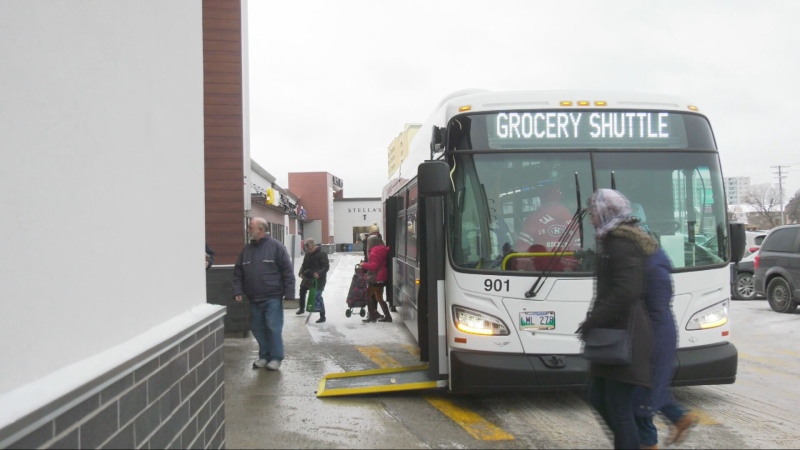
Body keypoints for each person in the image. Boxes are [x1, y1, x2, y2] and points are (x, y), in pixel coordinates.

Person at [576, 189, 655, 449]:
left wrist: (592, 321)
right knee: (599, 397)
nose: (590, 219)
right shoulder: (610, 241)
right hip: (614, 334)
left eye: (592, 213)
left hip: (625, 335)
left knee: (618, 405)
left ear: (605, 212)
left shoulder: (621, 244)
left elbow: (627, 290)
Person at [632, 246, 699, 448]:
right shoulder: (654, 262)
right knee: (652, 388)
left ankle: (650, 443)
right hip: (658, 333)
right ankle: (679, 418)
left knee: (641, 396)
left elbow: (653, 306)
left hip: (654, 335)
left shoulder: (651, 269)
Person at [232, 218, 296, 371]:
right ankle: (264, 356)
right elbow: (238, 272)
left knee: (273, 327)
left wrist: (289, 293)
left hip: (272, 296)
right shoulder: (246, 250)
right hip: (254, 297)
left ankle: (276, 357)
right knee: (258, 328)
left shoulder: (276, 247)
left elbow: (287, 271)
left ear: (260, 230)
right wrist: (237, 290)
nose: (248, 230)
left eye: (250, 227)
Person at [513, 184, 577, 272]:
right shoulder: (573, 219)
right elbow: (579, 251)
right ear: (560, 198)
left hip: (539, 276)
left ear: (541, 198)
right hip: (570, 274)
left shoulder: (533, 219)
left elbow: (521, 252)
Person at [296, 238, 330, 323]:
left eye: (310, 249)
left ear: (314, 246)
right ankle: (301, 308)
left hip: (318, 279)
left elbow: (326, 266)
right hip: (307, 277)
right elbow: (303, 265)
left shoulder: (322, 254)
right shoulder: (307, 255)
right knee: (302, 290)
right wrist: (301, 272)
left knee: (317, 296)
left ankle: (322, 316)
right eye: (308, 249)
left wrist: (319, 273)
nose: (309, 251)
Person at [359, 234, 391, 323]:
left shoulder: (374, 253)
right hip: (383, 276)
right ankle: (388, 316)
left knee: (368, 295)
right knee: (379, 297)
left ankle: (372, 316)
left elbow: (373, 267)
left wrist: (363, 265)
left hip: (377, 278)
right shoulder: (383, 249)